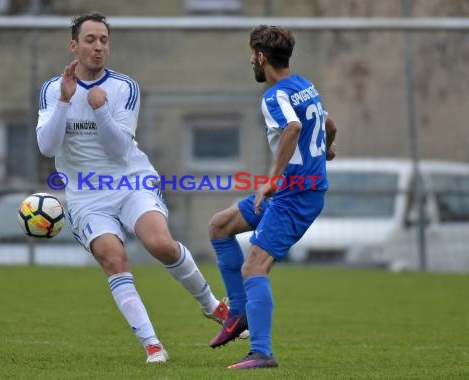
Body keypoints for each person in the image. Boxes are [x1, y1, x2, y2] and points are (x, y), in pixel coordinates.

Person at [35, 12, 228, 364]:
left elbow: (119, 148)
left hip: (130, 181)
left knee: (160, 244)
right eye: (90, 39)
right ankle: (153, 345)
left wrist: (101, 109)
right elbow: (47, 147)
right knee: (114, 258)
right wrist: (65, 101)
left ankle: (212, 305)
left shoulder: (124, 87)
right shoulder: (52, 89)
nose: (98, 47)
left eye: (104, 40)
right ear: (73, 45)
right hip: (86, 195)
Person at [208, 25, 338, 369]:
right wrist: (327, 146)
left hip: (295, 194)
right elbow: (329, 122)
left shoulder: (274, 95)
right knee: (220, 226)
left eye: (252, 54)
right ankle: (238, 312)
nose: (251, 60)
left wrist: (271, 179)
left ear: (261, 57)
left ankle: (262, 352)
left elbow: (294, 128)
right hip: (295, 191)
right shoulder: (304, 85)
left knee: (254, 266)